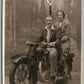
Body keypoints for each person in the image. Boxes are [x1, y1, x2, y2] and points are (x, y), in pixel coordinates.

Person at [36, 16, 61, 82]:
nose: (48, 22)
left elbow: (58, 40)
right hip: (46, 47)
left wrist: (52, 43)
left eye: (50, 21)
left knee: (52, 54)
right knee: (37, 50)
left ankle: (53, 75)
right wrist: (35, 43)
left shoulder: (57, 29)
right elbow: (40, 38)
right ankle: (39, 70)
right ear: (45, 21)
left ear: (52, 21)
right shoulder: (44, 29)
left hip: (54, 47)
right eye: (47, 21)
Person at [56, 10, 73, 79]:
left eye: (60, 15)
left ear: (63, 15)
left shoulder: (67, 23)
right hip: (58, 41)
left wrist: (60, 40)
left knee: (62, 52)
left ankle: (64, 72)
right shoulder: (57, 23)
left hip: (65, 42)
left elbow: (67, 35)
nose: (59, 16)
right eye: (58, 15)